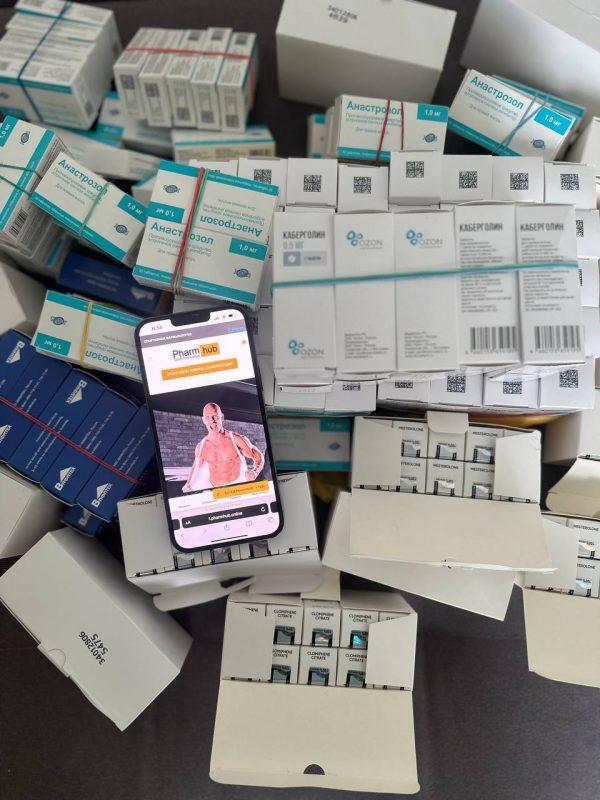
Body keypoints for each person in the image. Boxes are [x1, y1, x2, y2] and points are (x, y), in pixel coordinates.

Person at [182, 402, 265, 492]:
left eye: (215, 416)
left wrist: (255, 472)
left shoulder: (236, 439)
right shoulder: (201, 446)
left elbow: (257, 455)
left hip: (236, 487)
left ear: (222, 417)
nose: (212, 420)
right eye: (207, 417)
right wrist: (188, 484)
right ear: (204, 420)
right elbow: (195, 467)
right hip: (215, 490)